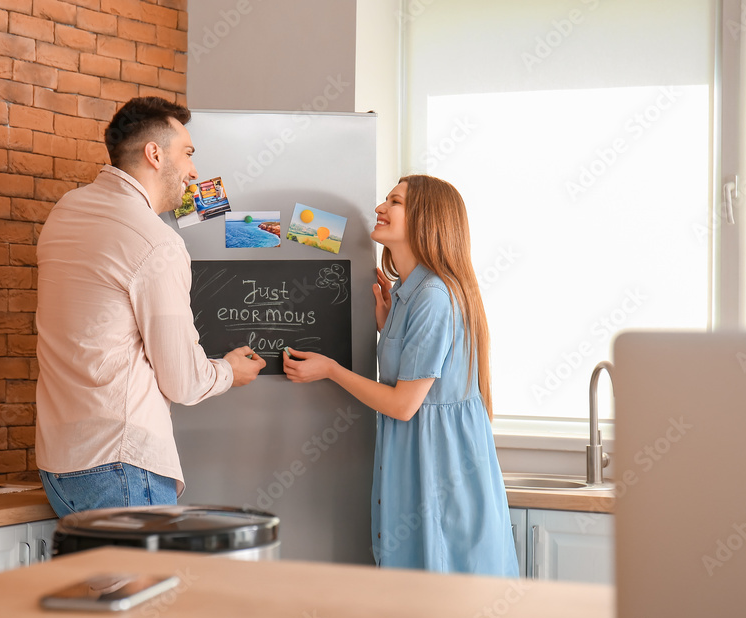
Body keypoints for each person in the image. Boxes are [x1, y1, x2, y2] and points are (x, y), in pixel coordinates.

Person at [35, 97, 266, 518]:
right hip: (121, 465)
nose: (195, 171)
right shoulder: (156, 242)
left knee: (104, 585)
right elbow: (183, 381)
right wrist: (231, 371)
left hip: (60, 464)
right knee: (147, 587)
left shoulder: (65, 212)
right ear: (155, 154)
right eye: (189, 154)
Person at [284, 175, 518, 577]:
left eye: (394, 201)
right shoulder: (412, 292)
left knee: (439, 601)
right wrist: (388, 325)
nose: (379, 208)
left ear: (427, 220)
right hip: (421, 460)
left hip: (437, 470)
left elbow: (404, 404)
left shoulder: (433, 296)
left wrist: (331, 369)